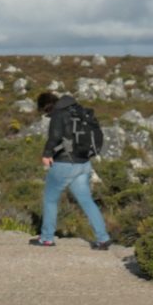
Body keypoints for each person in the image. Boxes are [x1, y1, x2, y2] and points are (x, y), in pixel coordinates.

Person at [33, 91, 112, 250]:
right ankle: (103, 238)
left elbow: (54, 136)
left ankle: (47, 238)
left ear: (46, 106)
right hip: (83, 163)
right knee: (87, 201)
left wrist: (46, 154)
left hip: (65, 164)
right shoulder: (79, 110)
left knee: (50, 199)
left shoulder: (58, 114)